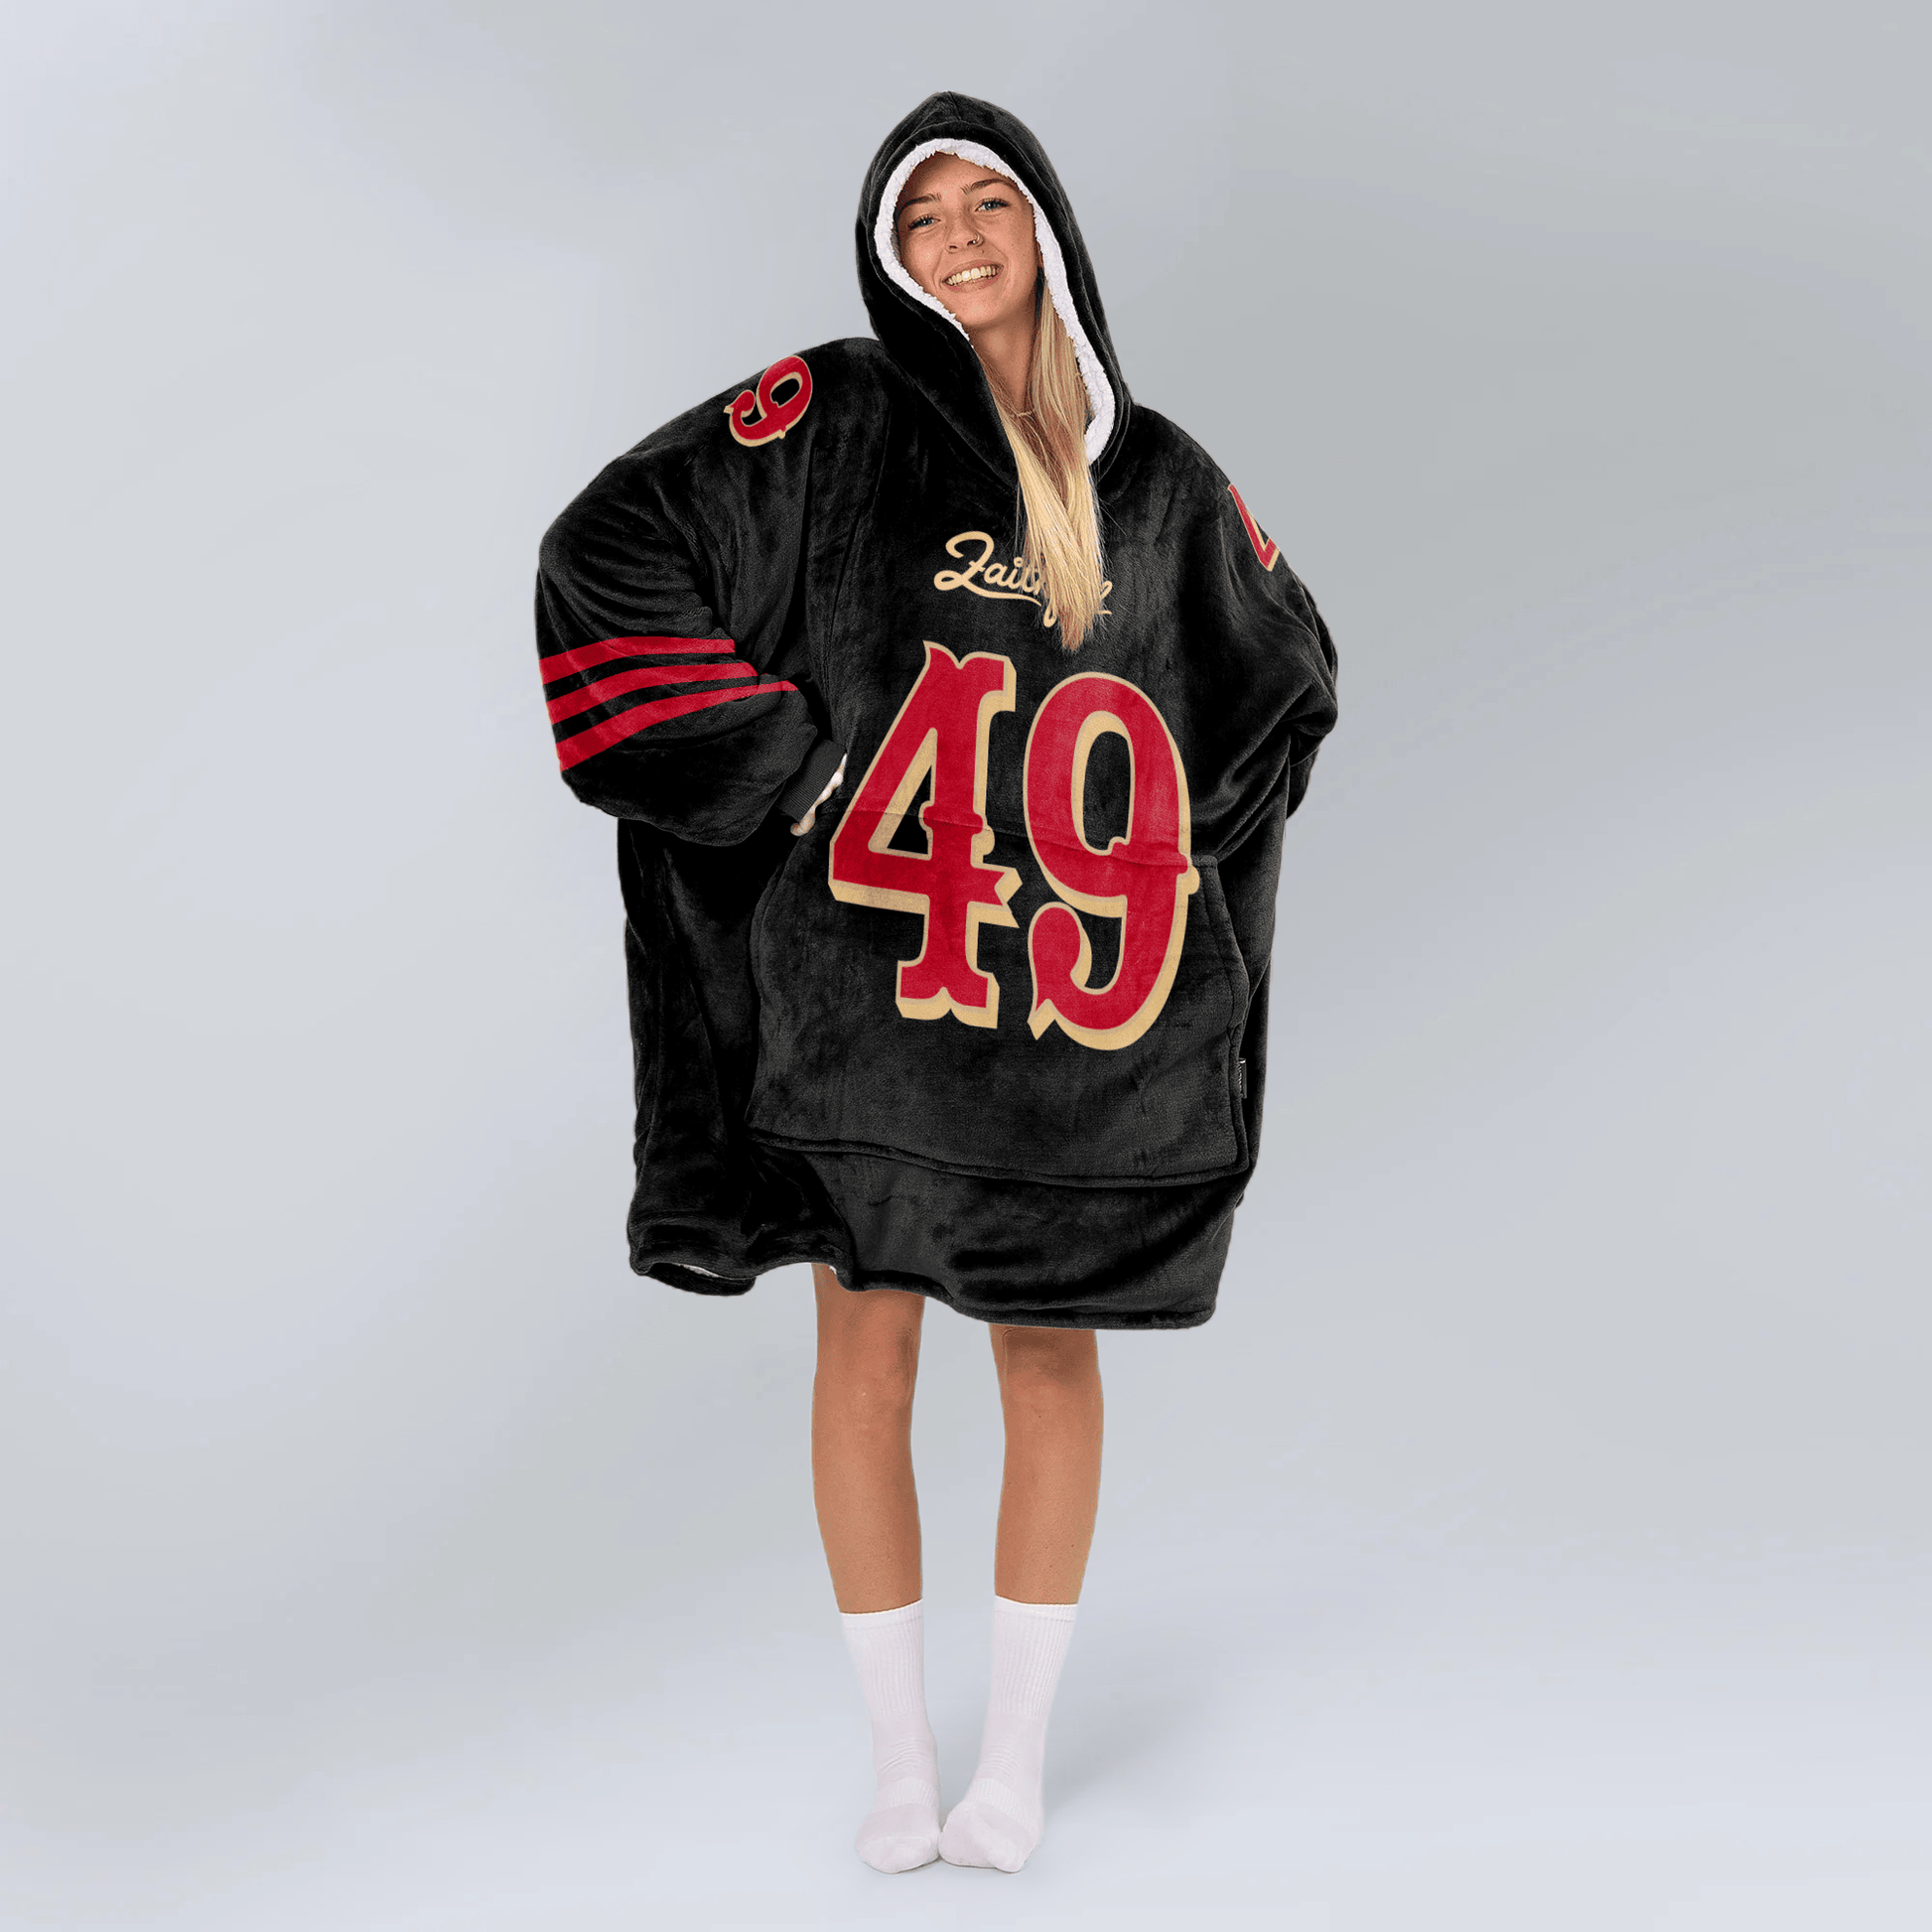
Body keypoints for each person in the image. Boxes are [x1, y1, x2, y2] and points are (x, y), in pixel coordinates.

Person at [534, 92, 1338, 1874]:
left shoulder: (1159, 480)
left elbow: (1284, 680)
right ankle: (902, 1765)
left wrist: (1149, 875)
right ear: (887, 253)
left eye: (986, 203)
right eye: (922, 217)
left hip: (1049, 1025)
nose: (956, 238)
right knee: (864, 1343)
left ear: (1045, 224)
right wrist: (778, 768)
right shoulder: (828, 419)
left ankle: (1014, 1769)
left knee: (1046, 1354)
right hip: (861, 1003)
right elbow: (604, 550)